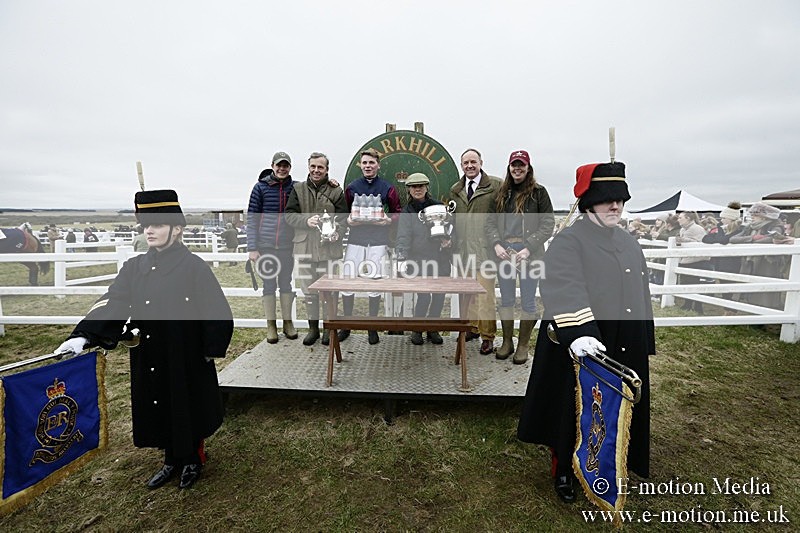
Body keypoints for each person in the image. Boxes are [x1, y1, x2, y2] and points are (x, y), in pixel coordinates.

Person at [55, 189, 233, 490]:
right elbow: (113, 301)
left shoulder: (194, 268)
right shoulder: (134, 268)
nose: (149, 230)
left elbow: (217, 310)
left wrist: (209, 350)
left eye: (158, 224)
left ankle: (191, 459)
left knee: (185, 404)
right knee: (158, 402)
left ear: (177, 229)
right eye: (146, 224)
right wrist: (84, 336)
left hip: (184, 352)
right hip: (149, 351)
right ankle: (170, 460)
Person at [517, 161, 654, 503]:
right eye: (607, 199)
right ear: (588, 202)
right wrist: (581, 333)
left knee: (616, 408)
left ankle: (615, 462)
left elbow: (640, 289)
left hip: (623, 341)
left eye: (621, 200)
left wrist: (642, 337)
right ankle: (565, 467)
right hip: (579, 340)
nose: (615, 206)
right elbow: (563, 287)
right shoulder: (568, 241)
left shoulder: (628, 241)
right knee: (572, 408)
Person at [491, 150, 554, 364]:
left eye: (521, 165)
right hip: (505, 252)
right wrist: (497, 244)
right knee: (506, 298)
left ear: (528, 167)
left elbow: (547, 224)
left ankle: (523, 345)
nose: (517, 169)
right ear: (509, 168)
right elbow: (490, 223)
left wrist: (528, 247)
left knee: (528, 299)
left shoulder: (539, 193)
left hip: (530, 254)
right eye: (513, 165)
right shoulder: (502, 193)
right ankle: (507, 341)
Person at [339, 148, 402, 345]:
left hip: (378, 240)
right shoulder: (351, 187)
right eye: (365, 163)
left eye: (371, 163)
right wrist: (348, 221)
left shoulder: (387, 187)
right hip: (355, 239)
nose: (368, 166)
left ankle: (372, 326)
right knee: (348, 279)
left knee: (375, 281)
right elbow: (344, 212)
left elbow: (397, 211)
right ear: (361, 165)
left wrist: (388, 221)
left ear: (378, 165)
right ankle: (346, 324)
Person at [284, 152, 348, 346]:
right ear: (308, 167)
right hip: (304, 247)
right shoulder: (298, 189)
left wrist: (339, 232)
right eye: (313, 166)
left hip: (328, 249)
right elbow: (288, 215)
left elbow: (344, 218)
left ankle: (329, 329)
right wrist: (306, 220)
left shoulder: (336, 191)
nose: (316, 170)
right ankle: (313, 329)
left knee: (330, 290)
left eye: (320, 167)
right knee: (308, 291)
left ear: (327, 169)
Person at [450, 148, 502, 355]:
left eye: (473, 162)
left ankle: (487, 336)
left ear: (481, 162)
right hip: (463, 251)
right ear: (461, 166)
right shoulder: (455, 190)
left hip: (485, 251)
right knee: (467, 295)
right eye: (466, 163)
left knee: (485, 296)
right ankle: (472, 327)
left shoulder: (495, 186)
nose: (469, 166)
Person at [395, 172, 453, 345]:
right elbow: (403, 237)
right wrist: (402, 258)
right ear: (409, 189)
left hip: (440, 258)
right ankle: (417, 329)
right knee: (423, 297)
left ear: (427, 187)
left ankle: (433, 328)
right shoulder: (407, 211)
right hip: (418, 260)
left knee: (439, 296)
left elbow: (451, 228)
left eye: (421, 186)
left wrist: (449, 241)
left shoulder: (439, 207)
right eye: (414, 186)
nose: (418, 189)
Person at [247, 151, 298, 344]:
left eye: (285, 165)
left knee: (286, 283)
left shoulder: (295, 188)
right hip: (265, 245)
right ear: (272, 165)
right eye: (279, 165)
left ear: (289, 168)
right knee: (269, 285)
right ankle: (271, 325)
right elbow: (252, 219)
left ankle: (288, 323)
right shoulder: (260, 188)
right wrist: (253, 247)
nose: (282, 168)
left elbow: (314, 187)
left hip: (287, 246)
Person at [729, 202, 788, 309]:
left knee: (766, 290)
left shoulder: (776, 225)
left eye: (755, 215)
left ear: (764, 216)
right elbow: (733, 239)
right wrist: (752, 238)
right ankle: (754, 312)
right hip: (749, 261)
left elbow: (773, 238)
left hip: (768, 262)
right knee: (751, 288)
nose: (752, 218)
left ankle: (768, 315)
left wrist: (749, 243)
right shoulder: (749, 228)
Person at [675, 211, 711, 313]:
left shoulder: (697, 229)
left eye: (681, 218)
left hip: (697, 260)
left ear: (688, 218)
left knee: (696, 283)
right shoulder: (683, 229)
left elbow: (701, 242)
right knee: (687, 282)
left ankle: (698, 306)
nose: (678, 219)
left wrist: (684, 240)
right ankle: (688, 303)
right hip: (686, 259)